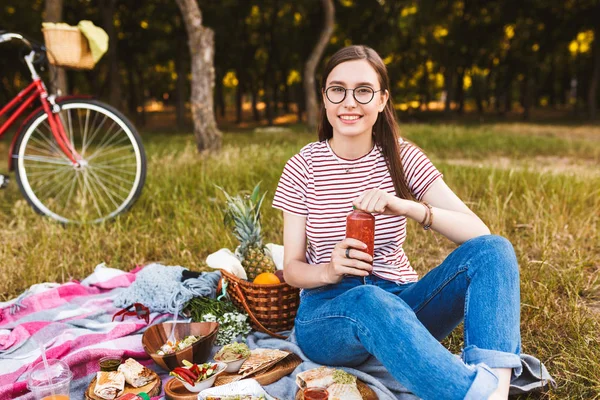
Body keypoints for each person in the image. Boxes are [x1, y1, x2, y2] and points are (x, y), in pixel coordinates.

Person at [272, 45, 522, 400]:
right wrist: (330, 270)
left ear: (382, 99)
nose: (349, 102)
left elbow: (478, 233)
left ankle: (495, 389)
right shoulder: (303, 167)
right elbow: (292, 269)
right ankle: (468, 392)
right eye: (337, 90)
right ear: (324, 99)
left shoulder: (402, 157)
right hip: (327, 315)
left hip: (403, 303)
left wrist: (408, 207)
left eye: (363, 91)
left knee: (494, 250)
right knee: (369, 299)